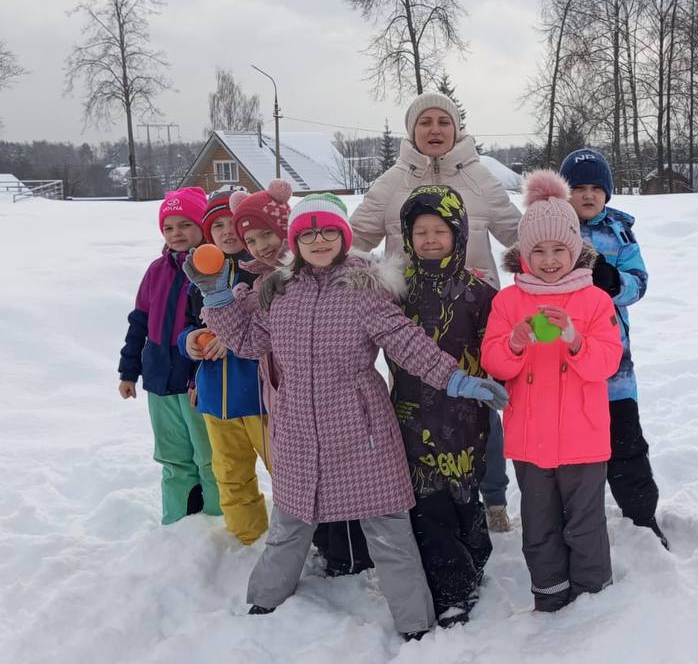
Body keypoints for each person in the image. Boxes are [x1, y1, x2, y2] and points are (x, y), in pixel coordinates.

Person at [187, 193, 508, 639]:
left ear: (343, 236)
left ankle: (415, 623)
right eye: (308, 234)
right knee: (290, 522)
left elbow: (405, 341)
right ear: (295, 242)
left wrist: (456, 380)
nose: (319, 241)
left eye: (328, 231)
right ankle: (265, 600)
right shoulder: (280, 291)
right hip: (298, 427)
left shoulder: (364, 287)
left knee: (389, 530)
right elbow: (248, 342)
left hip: (362, 427)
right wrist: (217, 296)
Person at [350, 91, 521, 531]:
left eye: (443, 122)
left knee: (479, 401)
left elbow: (519, 235)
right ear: (412, 131)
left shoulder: (480, 178)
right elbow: (353, 240)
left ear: (457, 129)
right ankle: (418, 491)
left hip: (474, 310)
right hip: (410, 313)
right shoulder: (392, 182)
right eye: (424, 122)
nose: (435, 130)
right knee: (413, 404)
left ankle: (492, 495)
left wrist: (561, 265)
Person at [481, 171, 624, 612]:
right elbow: (493, 363)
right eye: (538, 251)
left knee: (584, 522)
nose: (548, 260)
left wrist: (574, 339)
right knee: (539, 522)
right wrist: (515, 343)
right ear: (523, 254)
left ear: (575, 250)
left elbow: (607, 362)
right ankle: (549, 593)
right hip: (530, 438)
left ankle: (592, 595)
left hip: (583, 437)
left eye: (558, 250)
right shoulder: (508, 302)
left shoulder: (595, 300)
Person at [229, 180, 373, 574]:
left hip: (331, 395)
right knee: (301, 476)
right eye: (251, 240)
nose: (261, 246)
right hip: (285, 394)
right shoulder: (261, 281)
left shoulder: (321, 267)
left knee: (338, 473)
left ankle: (348, 551)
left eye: (267, 235)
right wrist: (230, 301)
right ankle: (322, 543)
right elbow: (251, 336)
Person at [392, 185, 498, 627]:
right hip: (411, 416)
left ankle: (475, 557)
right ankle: (452, 590)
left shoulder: (479, 293)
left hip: (466, 417)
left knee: (464, 496)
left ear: (459, 234)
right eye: (420, 231)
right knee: (429, 504)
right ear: (407, 236)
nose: (430, 239)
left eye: (440, 230)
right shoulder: (395, 289)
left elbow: (497, 350)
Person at [559, 148, 667, 549]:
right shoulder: (551, 226)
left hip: (614, 369)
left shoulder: (620, 231)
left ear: (607, 192)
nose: (587, 195)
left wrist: (614, 280)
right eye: (578, 188)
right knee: (570, 450)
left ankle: (642, 516)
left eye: (596, 188)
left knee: (626, 446)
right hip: (564, 364)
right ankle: (571, 520)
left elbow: (639, 283)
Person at [118, 186, 222, 526]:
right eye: (168, 227)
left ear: (202, 227)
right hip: (159, 380)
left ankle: (217, 525)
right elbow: (139, 322)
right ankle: (177, 523)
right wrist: (129, 371)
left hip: (198, 383)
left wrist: (199, 377)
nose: (176, 233)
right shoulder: (156, 271)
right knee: (173, 458)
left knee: (209, 457)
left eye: (185, 224)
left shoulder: (214, 269)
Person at [177, 186, 270, 545]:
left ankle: (294, 537)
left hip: (261, 398)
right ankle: (248, 539)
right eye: (217, 226)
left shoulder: (262, 274)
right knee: (230, 473)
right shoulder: (199, 279)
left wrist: (229, 338)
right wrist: (190, 341)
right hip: (217, 399)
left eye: (233, 223)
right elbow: (186, 326)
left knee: (284, 469)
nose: (227, 232)